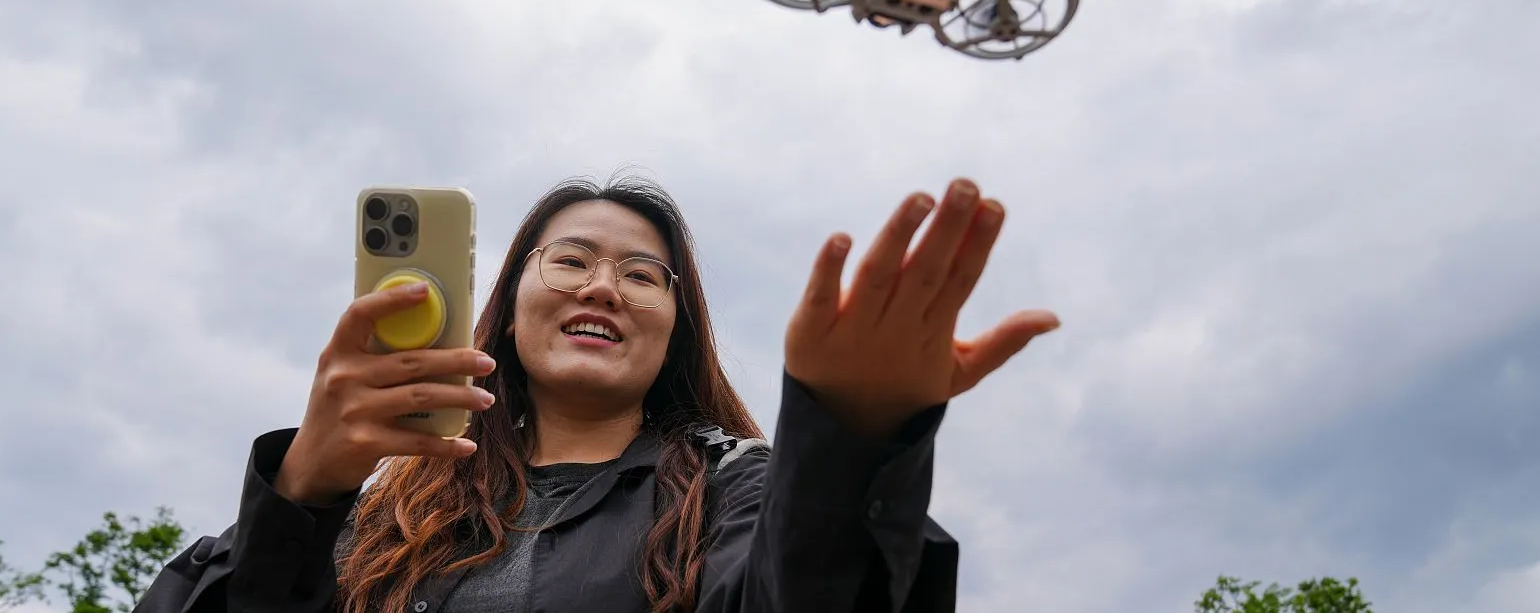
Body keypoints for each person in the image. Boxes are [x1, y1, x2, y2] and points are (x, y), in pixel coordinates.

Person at [136, 175, 1060, 613]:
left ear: (674, 329)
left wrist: (855, 435)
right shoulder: (376, 520)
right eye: (570, 259)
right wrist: (300, 495)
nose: (601, 287)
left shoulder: (738, 495)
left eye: (640, 274)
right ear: (508, 307)